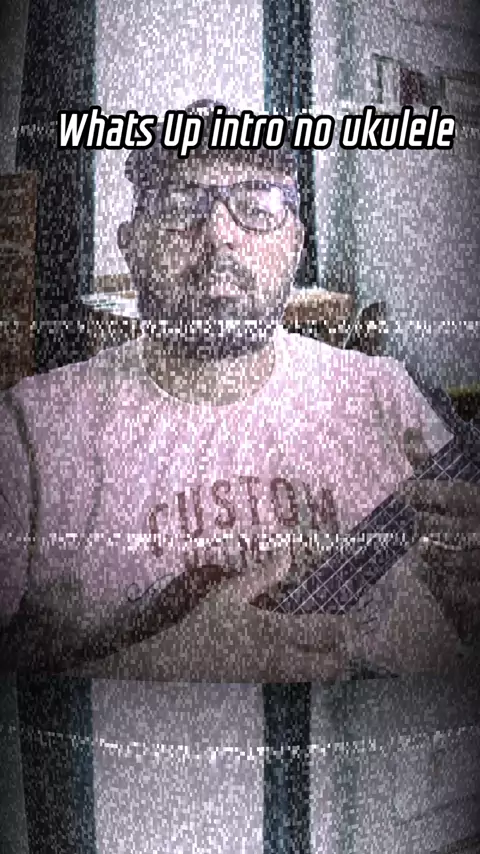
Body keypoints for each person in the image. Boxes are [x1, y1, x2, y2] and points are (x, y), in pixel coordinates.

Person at [1, 98, 479, 683]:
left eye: (256, 206)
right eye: (180, 207)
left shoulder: (385, 395)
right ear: (132, 243)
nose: (220, 234)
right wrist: (169, 664)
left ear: (296, 244)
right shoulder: (33, 433)